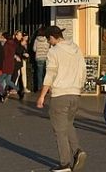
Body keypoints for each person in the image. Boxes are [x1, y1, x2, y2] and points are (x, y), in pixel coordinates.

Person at [35, 24, 87, 172]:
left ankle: (64, 163)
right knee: (68, 124)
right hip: (75, 93)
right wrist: (79, 87)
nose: (48, 42)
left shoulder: (54, 52)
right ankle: (77, 151)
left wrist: (42, 96)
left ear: (52, 37)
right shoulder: (76, 48)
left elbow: (50, 73)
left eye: (48, 40)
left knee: (59, 130)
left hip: (60, 94)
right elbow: (83, 70)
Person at [33, 27, 50, 95]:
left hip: (39, 58)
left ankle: (39, 88)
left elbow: (34, 49)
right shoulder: (47, 40)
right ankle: (46, 88)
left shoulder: (36, 40)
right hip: (46, 58)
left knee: (39, 74)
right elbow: (49, 48)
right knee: (46, 74)